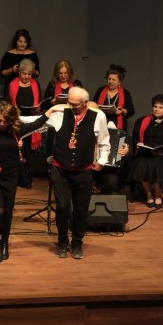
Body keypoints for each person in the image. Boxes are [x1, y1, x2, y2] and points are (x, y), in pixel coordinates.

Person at [0, 100, 57, 261]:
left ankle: (4, 242)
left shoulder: (17, 131)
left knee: (7, 212)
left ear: (12, 121)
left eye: (5, 121)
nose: (2, 124)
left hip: (10, 176)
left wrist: (52, 110)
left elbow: (37, 123)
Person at [45, 87, 111, 259]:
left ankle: (77, 243)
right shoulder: (61, 113)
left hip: (83, 171)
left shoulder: (98, 116)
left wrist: (102, 161)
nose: (71, 107)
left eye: (75, 104)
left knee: (81, 209)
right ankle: (62, 241)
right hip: (60, 169)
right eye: (70, 103)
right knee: (62, 207)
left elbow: (104, 142)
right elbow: (38, 123)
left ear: (85, 103)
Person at [128, 94, 163, 208]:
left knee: (159, 165)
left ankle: (157, 192)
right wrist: (139, 144)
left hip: (161, 154)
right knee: (141, 164)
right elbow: (135, 138)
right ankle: (148, 192)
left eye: (160, 107)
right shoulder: (141, 121)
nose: (157, 109)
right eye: (155, 106)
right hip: (144, 153)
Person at [93, 63, 135, 132]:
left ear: (119, 81)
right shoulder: (100, 90)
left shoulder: (125, 93)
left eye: (114, 80)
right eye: (109, 79)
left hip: (118, 124)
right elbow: (93, 105)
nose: (110, 81)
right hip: (101, 123)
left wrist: (122, 111)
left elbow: (131, 111)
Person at [0, 28, 39, 93]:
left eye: (25, 42)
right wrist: (12, 69)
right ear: (16, 41)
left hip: (28, 86)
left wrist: (31, 71)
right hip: (11, 86)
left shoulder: (33, 54)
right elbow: (2, 73)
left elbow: (37, 73)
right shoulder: (8, 54)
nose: (22, 44)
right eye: (20, 42)